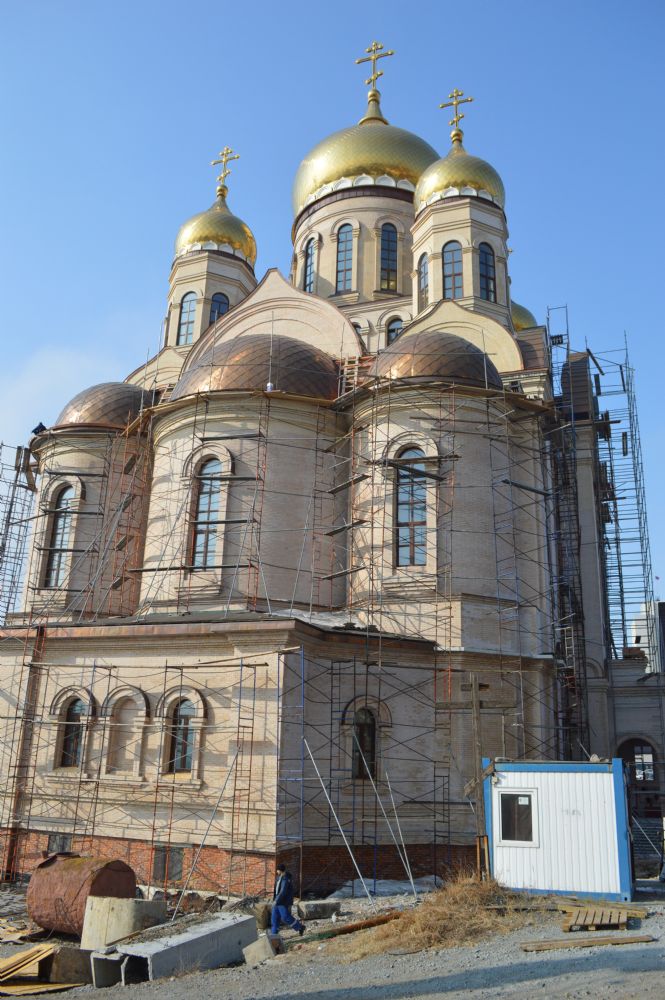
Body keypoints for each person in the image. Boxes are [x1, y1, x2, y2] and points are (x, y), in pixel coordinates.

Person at [271, 863, 305, 936]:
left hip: (282, 902)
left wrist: (276, 900)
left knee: (285, 917)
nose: (276, 871)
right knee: (274, 918)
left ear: (280, 870)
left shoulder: (286, 879)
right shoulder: (278, 878)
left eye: (277, 870)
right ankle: (274, 935)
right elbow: (276, 890)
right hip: (277, 901)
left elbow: (283, 891)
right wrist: (274, 899)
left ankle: (300, 927)